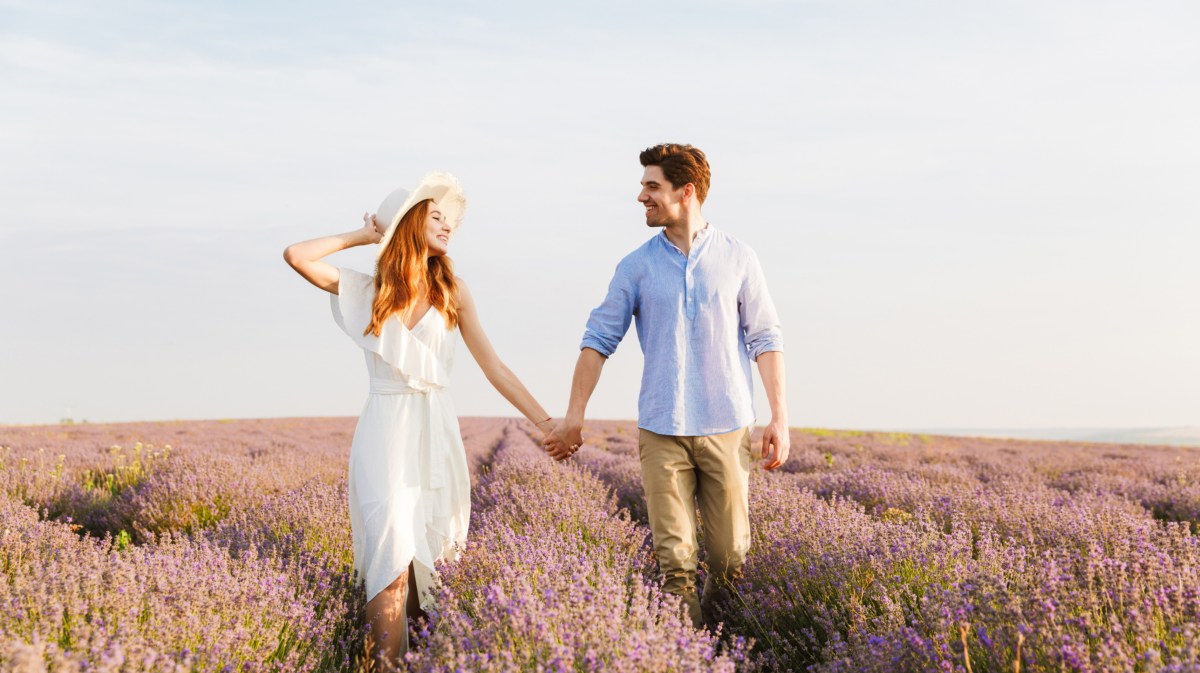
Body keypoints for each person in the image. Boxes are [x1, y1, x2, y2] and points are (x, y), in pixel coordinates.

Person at [283, 172, 555, 665]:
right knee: (389, 543)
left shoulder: (454, 289)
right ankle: (380, 664)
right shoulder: (367, 289)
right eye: (435, 216)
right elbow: (297, 256)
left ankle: (425, 657)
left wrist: (547, 423)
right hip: (386, 427)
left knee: (429, 555)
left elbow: (494, 367)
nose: (447, 225)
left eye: (448, 220)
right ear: (408, 223)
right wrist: (365, 235)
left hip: (435, 427)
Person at [543, 144, 790, 628]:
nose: (641, 197)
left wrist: (780, 417)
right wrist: (574, 416)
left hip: (727, 425)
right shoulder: (635, 266)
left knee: (729, 558)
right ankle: (688, 656)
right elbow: (597, 341)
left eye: (652, 186)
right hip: (662, 428)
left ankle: (727, 646)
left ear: (687, 192)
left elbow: (766, 338)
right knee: (674, 562)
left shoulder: (739, 258)